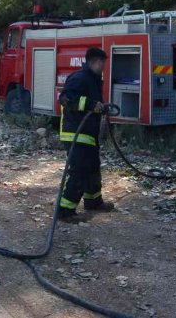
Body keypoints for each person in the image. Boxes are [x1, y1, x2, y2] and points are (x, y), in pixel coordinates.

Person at [56, 47, 115, 223]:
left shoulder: (94, 79)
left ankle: (93, 201)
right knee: (79, 171)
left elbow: (93, 102)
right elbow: (66, 98)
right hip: (75, 133)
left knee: (93, 168)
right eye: (103, 62)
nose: (104, 66)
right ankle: (65, 210)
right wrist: (90, 104)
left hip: (88, 134)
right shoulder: (80, 77)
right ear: (96, 61)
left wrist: (100, 107)